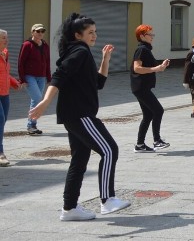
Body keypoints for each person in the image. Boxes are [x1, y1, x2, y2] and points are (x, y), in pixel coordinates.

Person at [29, 13, 131, 220]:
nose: (94, 35)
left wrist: (105, 59)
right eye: (90, 32)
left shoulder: (78, 51)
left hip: (73, 115)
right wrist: (45, 102)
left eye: (95, 32)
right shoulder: (80, 52)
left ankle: (70, 209)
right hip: (81, 114)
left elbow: (98, 83)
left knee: (79, 160)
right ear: (78, 35)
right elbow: (59, 76)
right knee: (110, 150)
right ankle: (107, 199)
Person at [130, 25, 170, 152]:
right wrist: (156, 69)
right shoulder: (142, 49)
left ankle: (140, 145)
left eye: (153, 35)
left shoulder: (146, 49)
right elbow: (137, 68)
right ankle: (157, 141)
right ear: (142, 36)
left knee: (148, 115)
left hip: (141, 87)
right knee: (158, 110)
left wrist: (161, 66)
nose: (152, 37)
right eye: (150, 35)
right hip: (141, 88)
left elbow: (151, 67)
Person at [18, 24, 51, 135]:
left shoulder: (45, 45)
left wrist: (49, 77)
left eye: (42, 31)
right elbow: (21, 63)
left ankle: (32, 126)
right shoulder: (27, 45)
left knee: (35, 100)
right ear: (32, 32)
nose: (40, 33)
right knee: (37, 98)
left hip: (41, 77)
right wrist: (22, 79)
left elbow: (47, 61)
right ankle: (31, 125)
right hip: (29, 76)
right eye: (38, 31)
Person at [1, 29, 23, 167]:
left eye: (6, 37)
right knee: (0, 120)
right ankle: (0, 153)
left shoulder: (4, 53)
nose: (6, 40)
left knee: (1, 124)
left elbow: (4, 73)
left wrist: (15, 83)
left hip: (5, 95)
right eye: (3, 38)